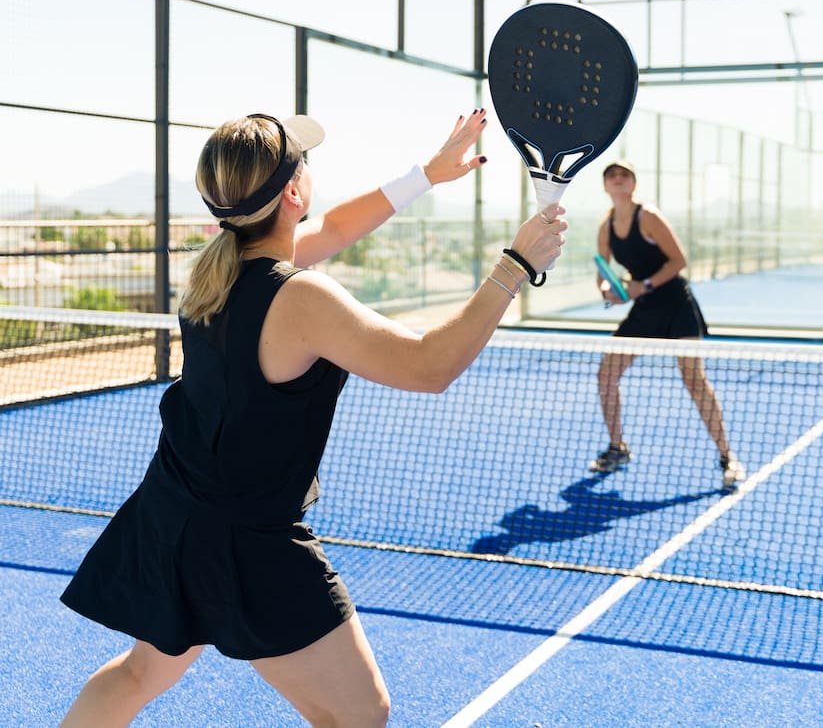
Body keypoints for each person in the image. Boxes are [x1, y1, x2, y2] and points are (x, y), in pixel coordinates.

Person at [58, 109, 566, 727]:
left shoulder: (212, 272)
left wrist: (426, 175)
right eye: (305, 164)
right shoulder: (300, 296)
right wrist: (515, 264)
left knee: (140, 674)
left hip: (174, 514)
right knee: (360, 713)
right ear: (292, 192)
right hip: (246, 541)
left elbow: (333, 227)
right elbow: (429, 366)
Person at [589, 160, 746, 488]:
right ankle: (617, 448)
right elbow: (603, 271)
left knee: (694, 380)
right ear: (605, 186)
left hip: (676, 304)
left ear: (633, 183)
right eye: (611, 176)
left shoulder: (648, 217)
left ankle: (727, 457)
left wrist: (641, 286)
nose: (618, 179)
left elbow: (679, 260)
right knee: (606, 375)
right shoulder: (605, 227)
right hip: (645, 310)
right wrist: (609, 290)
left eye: (624, 175)